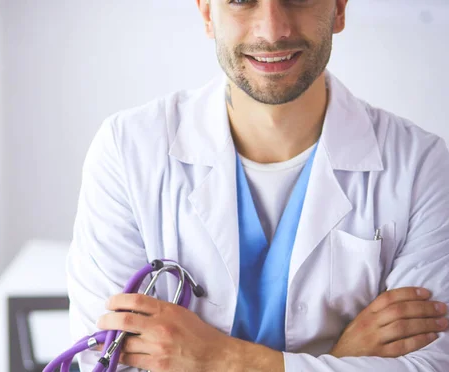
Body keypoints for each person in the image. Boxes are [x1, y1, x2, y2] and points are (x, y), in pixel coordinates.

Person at [66, 0, 449, 371]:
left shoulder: (419, 165)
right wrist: (341, 355)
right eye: (241, 0)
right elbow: (106, 361)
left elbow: (432, 363)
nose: (272, 30)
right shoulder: (128, 150)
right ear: (207, 14)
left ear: (339, 9)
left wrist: (213, 361)